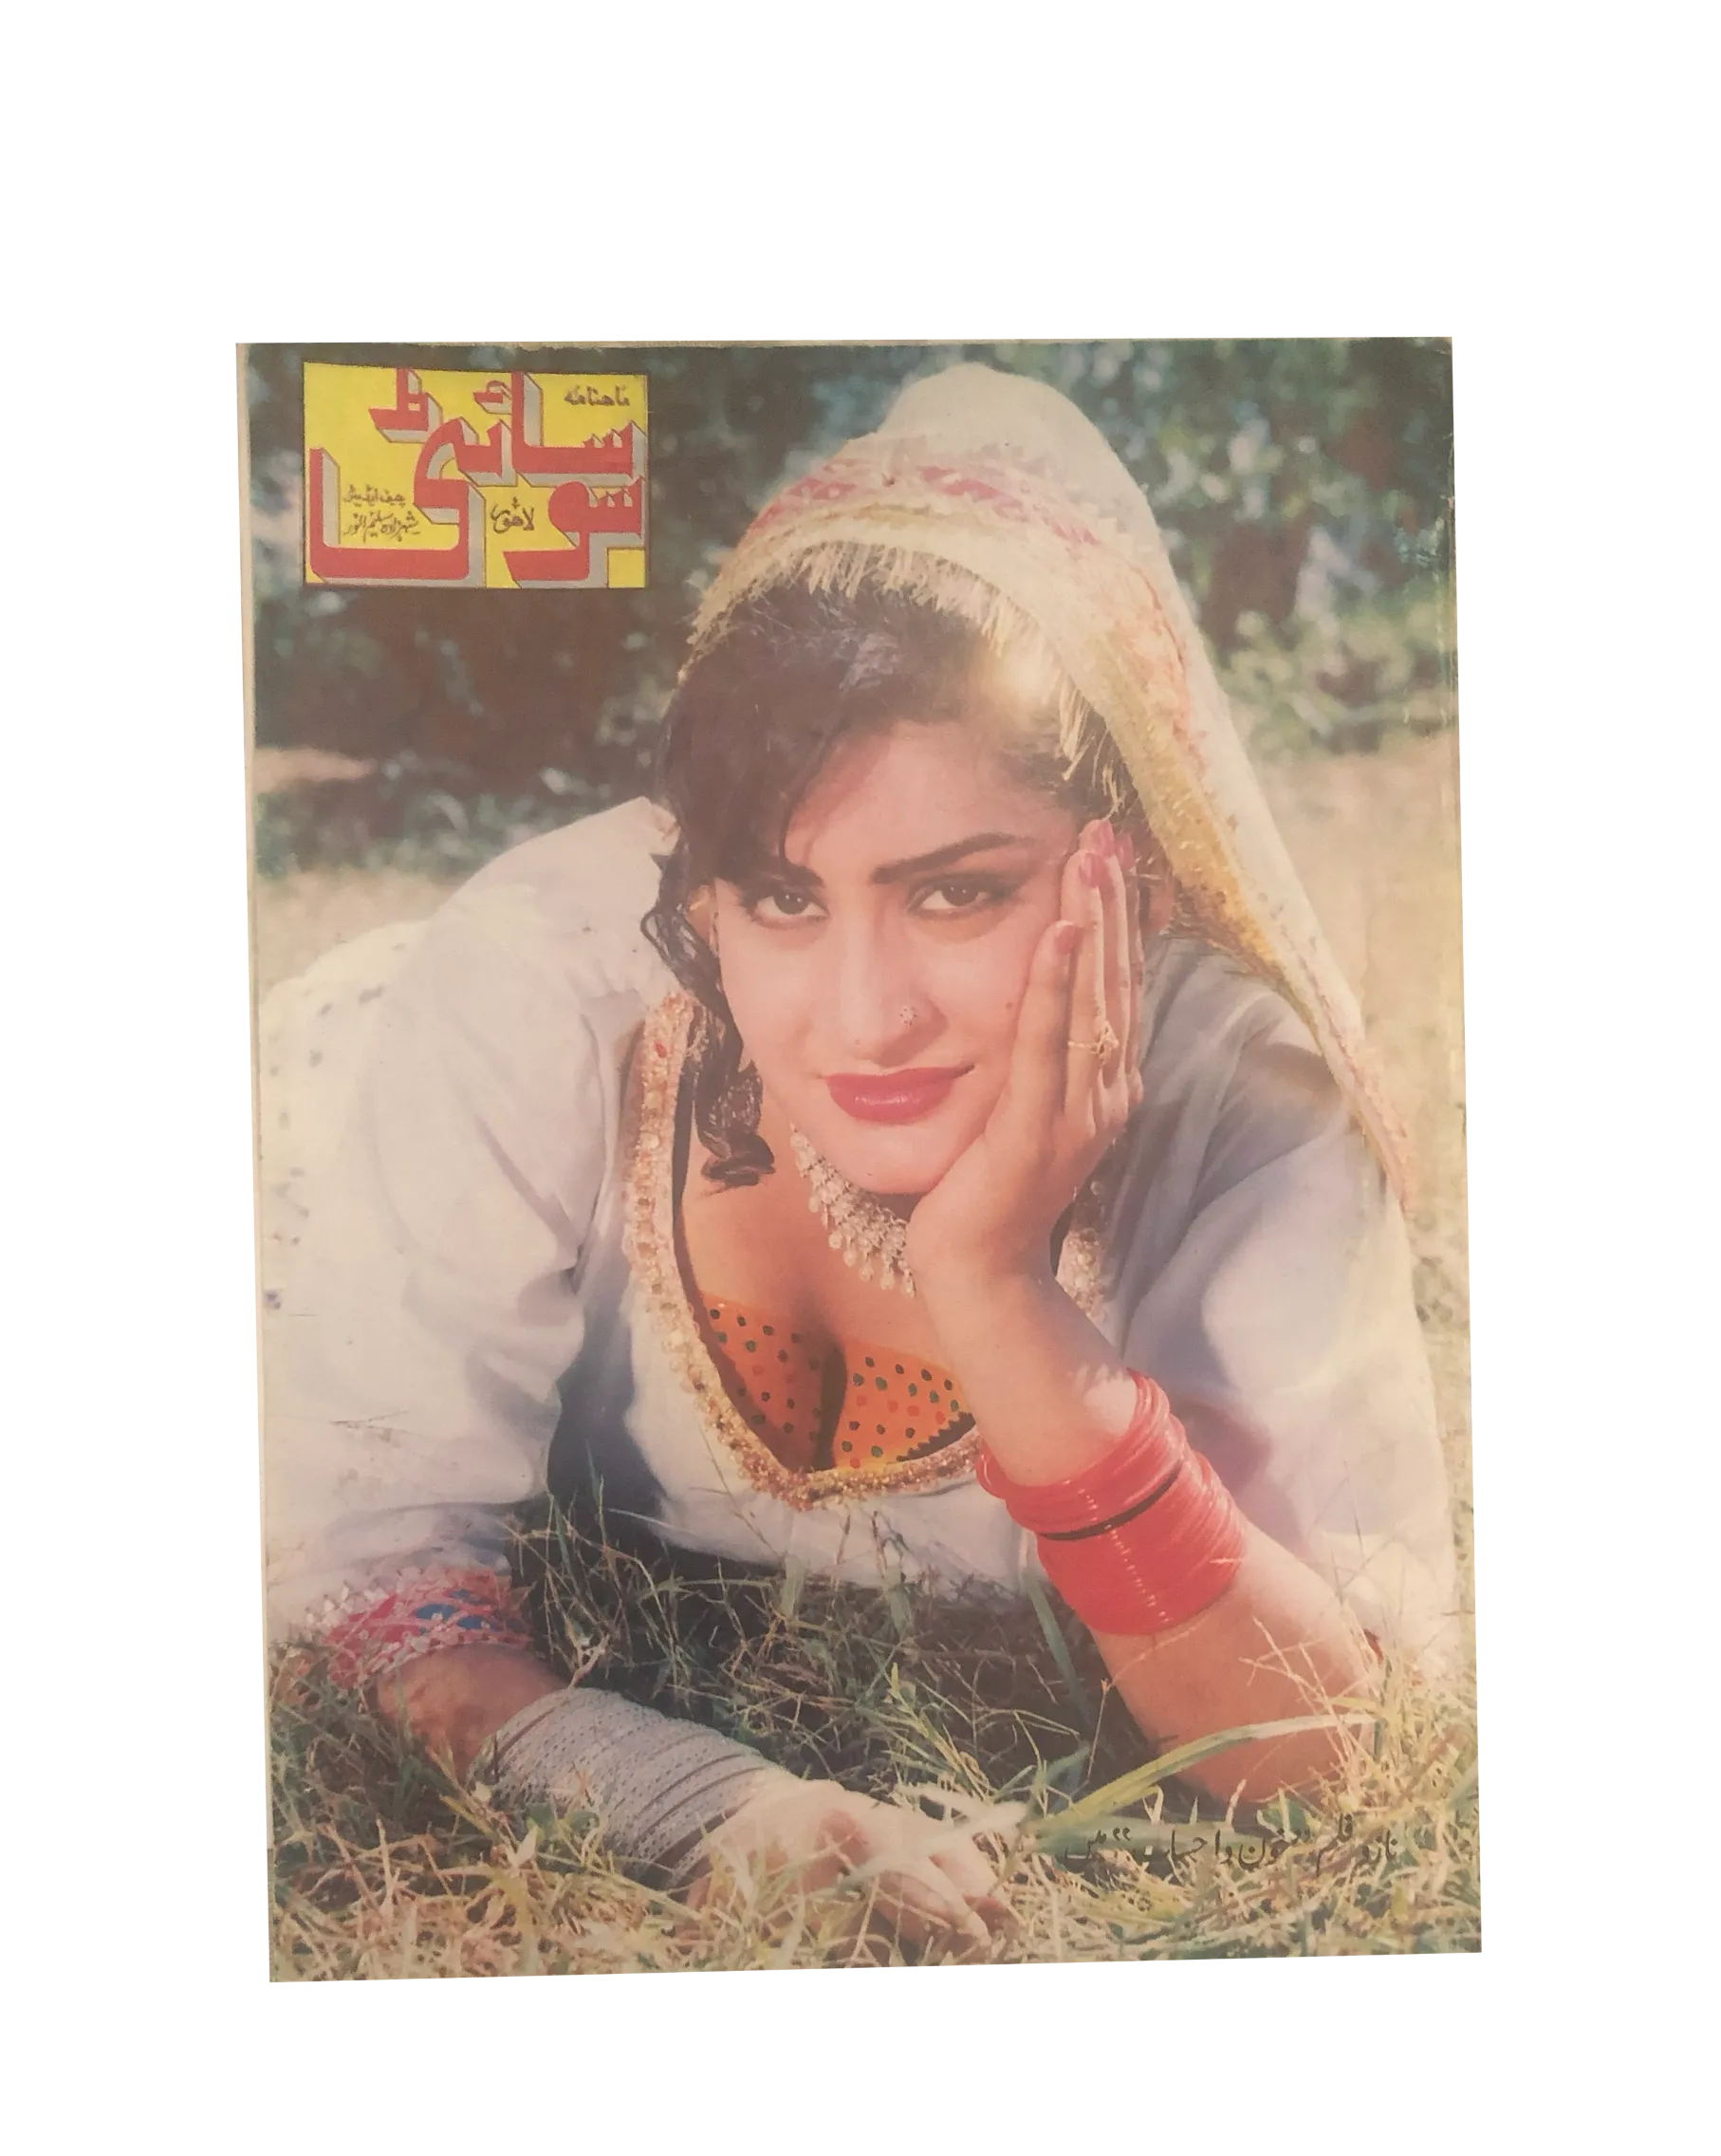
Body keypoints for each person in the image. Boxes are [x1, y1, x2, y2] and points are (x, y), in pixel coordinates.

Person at [260, 364, 1458, 1961]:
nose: (865, 1016)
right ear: (701, 891)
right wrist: (694, 1800)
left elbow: (1323, 1750)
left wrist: (995, 1285)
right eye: (781, 895)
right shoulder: (546, 990)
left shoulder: (1244, 1105)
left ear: (1137, 875)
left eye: (958, 892)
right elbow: (358, 1567)